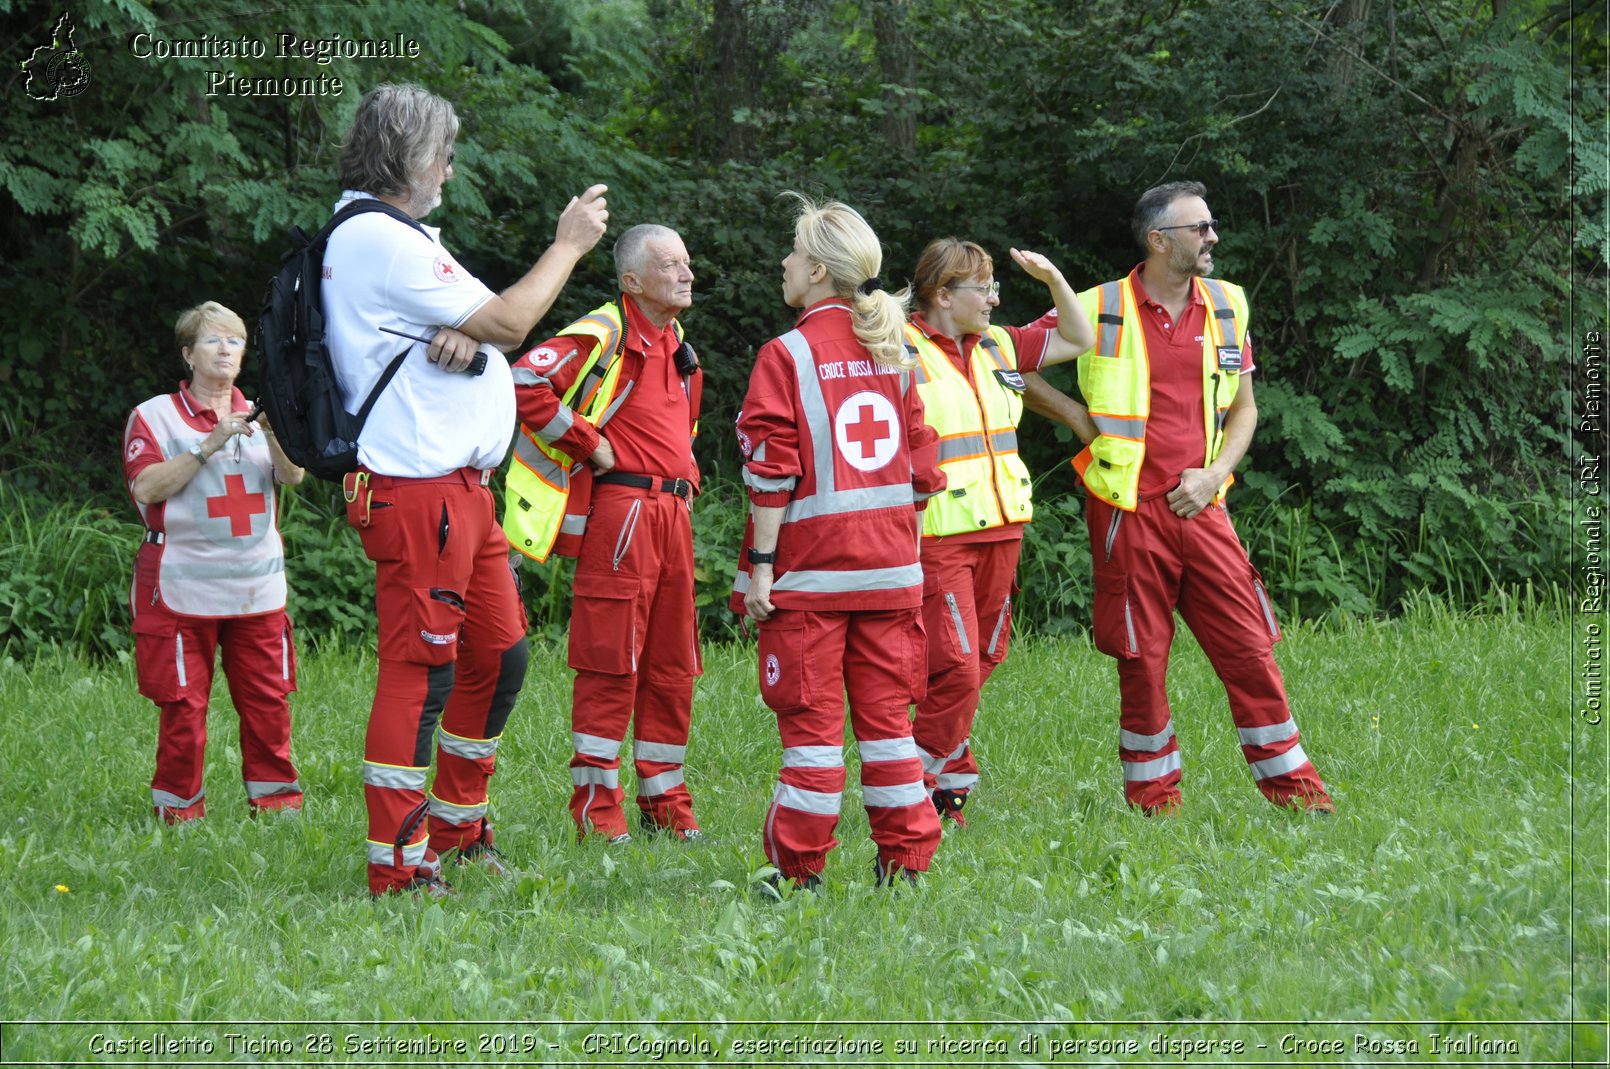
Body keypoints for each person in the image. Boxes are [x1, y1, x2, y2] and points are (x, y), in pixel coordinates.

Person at [323, 83, 608, 897]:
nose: (449, 168)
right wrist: (569, 245)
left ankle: (454, 826)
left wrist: (466, 333)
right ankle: (397, 863)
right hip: (420, 491)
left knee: (500, 654)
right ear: (412, 157)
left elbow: (480, 326)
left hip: (462, 491)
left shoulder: (386, 239)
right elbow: (514, 322)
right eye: (442, 153)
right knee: (422, 670)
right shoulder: (384, 238)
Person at [1033, 180, 1333, 815]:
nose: (1213, 237)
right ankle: (1154, 804)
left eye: (1211, 225)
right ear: (1158, 240)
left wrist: (1214, 471)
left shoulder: (1229, 305)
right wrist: (1082, 422)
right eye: (1200, 228)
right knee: (1141, 662)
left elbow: (1246, 409)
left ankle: (1301, 798)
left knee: (1251, 647)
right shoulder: (1096, 306)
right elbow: (1005, 360)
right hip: (1126, 511)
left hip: (1204, 508)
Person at [732, 194, 945, 890]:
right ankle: (905, 864)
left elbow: (772, 473)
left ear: (819, 271)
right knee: (889, 730)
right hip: (891, 578)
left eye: (794, 254)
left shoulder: (787, 354)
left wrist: (761, 570)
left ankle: (798, 871)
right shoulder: (894, 347)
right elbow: (921, 472)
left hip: (811, 581)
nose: (785, 264)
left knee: (813, 735)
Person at [506, 224, 704, 844]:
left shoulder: (679, 344)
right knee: (610, 662)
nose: (686, 273)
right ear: (632, 281)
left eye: (687, 262)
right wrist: (589, 445)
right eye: (670, 264)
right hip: (624, 517)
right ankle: (597, 812)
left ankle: (666, 806)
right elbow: (522, 382)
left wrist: (689, 482)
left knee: (672, 665)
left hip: (672, 519)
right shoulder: (604, 331)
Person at [904, 239, 1096, 827]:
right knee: (956, 669)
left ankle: (942, 784)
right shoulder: (896, 348)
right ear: (942, 295)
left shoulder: (1000, 344)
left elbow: (1079, 336)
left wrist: (1054, 278)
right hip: (938, 536)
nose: (992, 298)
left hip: (1003, 529)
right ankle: (908, 786)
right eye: (981, 288)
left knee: (982, 659)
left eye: (995, 287)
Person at [122, 301, 306, 824]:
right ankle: (180, 815)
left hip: (257, 588)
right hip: (180, 586)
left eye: (235, 341)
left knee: (269, 701)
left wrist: (271, 430)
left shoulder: (264, 412)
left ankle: (277, 811)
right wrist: (207, 446)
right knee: (183, 707)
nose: (226, 350)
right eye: (212, 341)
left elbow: (293, 477)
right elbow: (146, 487)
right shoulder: (153, 416)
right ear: (188, 354)